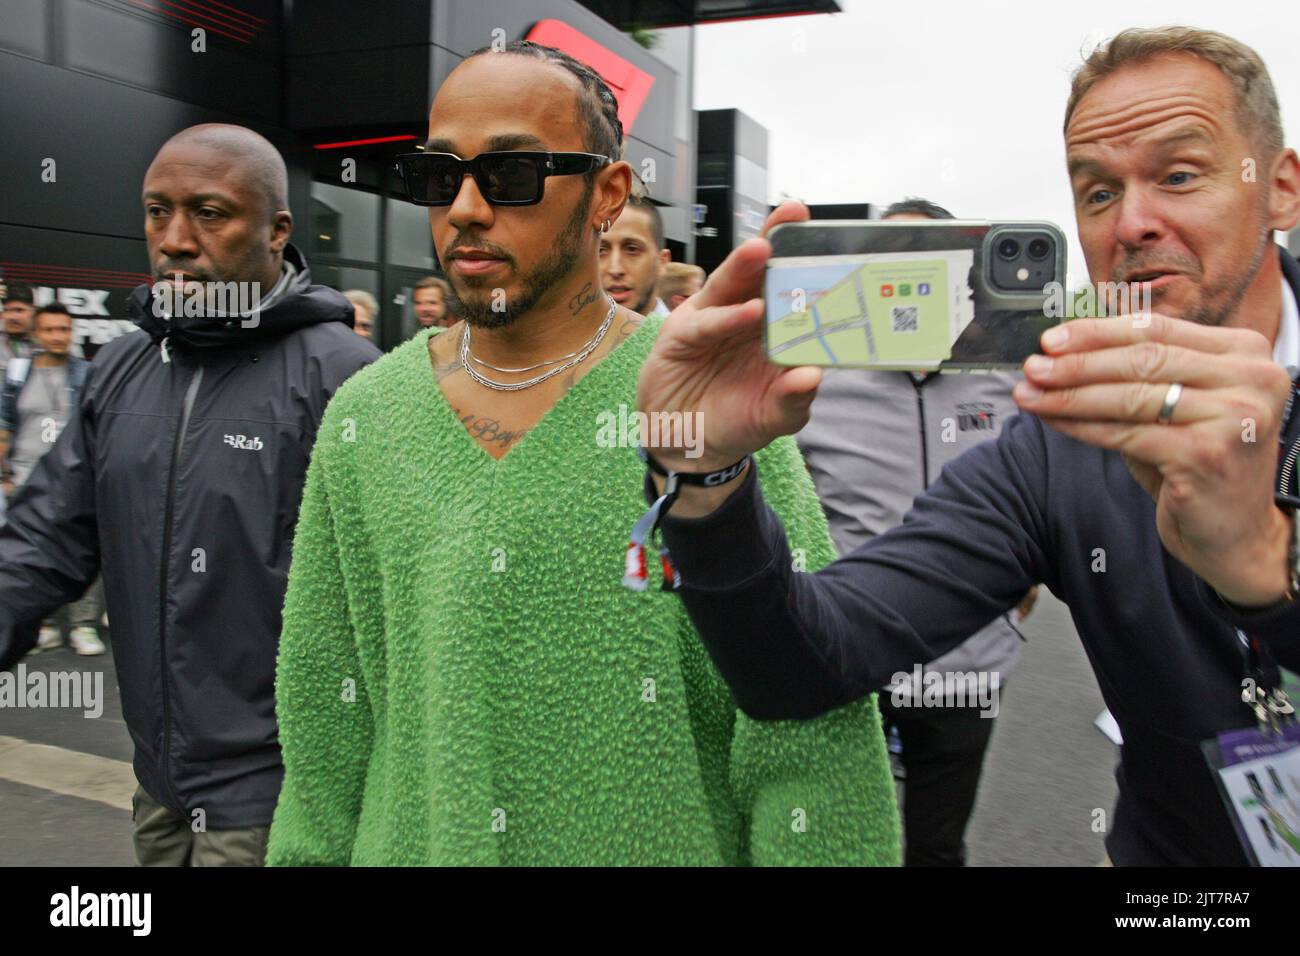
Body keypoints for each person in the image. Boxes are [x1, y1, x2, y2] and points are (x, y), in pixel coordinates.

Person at [633, 26, 1300, 866]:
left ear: (1281, 189)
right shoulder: (1058, 442)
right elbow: (801, 666)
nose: (1132, 222)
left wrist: (1271, 573)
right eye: (1096, 193)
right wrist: (706, 475)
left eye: (1178, 174)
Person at [266, 40, 897, 867]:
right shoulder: (366, 417)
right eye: (438, 175)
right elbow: (325, 719)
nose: (464, 208)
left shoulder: (699, 404)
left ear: (608, 193)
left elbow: (805, 721)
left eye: (511, 175)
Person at [0, 123, 380, 866]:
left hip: (279, 799)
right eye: (156, 210)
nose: (173, 239)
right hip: (159, 788)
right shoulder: (120, 368)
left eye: (208, 213)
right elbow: (45, 537)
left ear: (276, 232)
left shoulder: (348, 379)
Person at [797, 197, 1035, 866]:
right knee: (844, 844)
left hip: (971, 665)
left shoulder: (1006, 385)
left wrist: (1030, 573)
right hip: (854, 662)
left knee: (936, 848)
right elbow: (785, 510)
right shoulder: (817, 386)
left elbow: (1045, 491)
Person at [0, 303, 105, 655]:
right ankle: (42, 625)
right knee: (29, 555)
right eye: (50, 330)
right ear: (36, 334)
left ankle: (82, 626)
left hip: (73, 481)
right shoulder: (17, 375)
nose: (58, 336)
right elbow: (5, 426)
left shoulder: (86, 374)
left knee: (82, 549)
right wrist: (5, 475)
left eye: (64, 329)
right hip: (25, 478)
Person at [600, 194, 671, 318]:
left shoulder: (684, 336)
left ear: (662, 261)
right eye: (601, 250)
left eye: (632, 249)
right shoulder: (570, 334)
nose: (615, 269)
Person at [1, 286, 37, 367]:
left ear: (33, 311)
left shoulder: (46, 343)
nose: (12, 317)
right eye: (6, 310)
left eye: (19, 310)